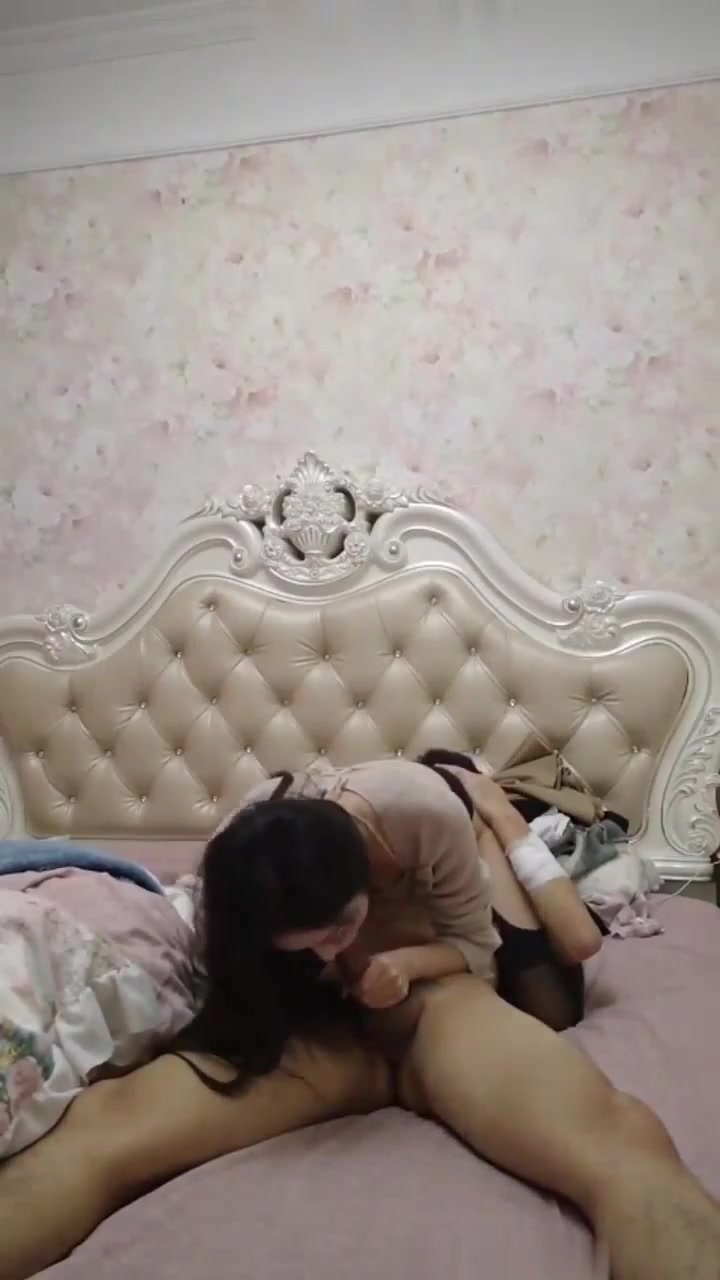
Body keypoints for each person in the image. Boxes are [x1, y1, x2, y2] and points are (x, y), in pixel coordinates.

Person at [0, 758, 719, 1280]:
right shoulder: (247, 860)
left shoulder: (434, 814)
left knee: (616, 1144)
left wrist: (407, 960)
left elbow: (489, 951)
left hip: (436, 1006)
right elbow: (225, 977)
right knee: (106, 1130)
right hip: (312, 1029)